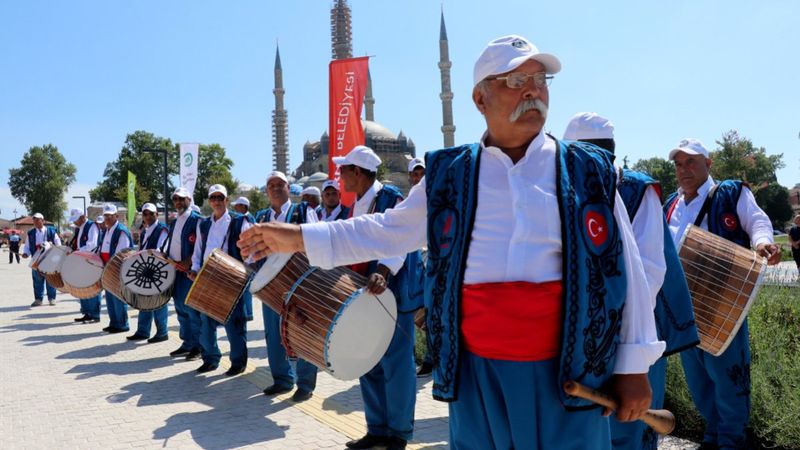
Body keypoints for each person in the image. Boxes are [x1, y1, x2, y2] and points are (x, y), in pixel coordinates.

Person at [238, 35, 664, 450]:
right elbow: (388, 231)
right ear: (480, 99)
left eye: (540, 80)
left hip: (570, 370)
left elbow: (625, 267)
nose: (533, 91)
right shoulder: (451, 173)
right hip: (476, 373)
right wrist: (297, 237)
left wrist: (633, 365)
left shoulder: (587, 169)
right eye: (516, 82)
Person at [565, 112, 698, 449]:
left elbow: (649, 272)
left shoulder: (636, 190)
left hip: (632, 335)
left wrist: (614, 334)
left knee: (629, 433)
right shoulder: (562, 188)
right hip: (582, 337)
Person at [665, 138, 779, 450]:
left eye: (691, 162)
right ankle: (713, 435)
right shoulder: (669, 206)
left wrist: (762, 242)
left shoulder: (730, 193)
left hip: (722, 305)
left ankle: (732, 440)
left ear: (708, 163)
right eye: (679, 163)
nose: (684, 169)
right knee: (698, 380)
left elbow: (756, 221)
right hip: (683, 308)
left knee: (729, 378)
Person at [325, 145, 423, 449]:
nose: (340, 177)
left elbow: (400, 238)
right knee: (368, 362)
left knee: (396, 364)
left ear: (358, 172)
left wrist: (383, 270)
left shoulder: (391, 199)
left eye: (344, 171)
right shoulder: (352, 205)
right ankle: (377, 428)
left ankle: (399, 433)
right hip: (364, 295)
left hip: (390, 292)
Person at [255, 171, 319, 402]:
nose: (275, 188)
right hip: (271, 283)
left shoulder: (303, 211)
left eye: (279, 184)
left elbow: (317, 240)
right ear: (266, 190)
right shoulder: (261, 217)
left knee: (301, 331)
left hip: (299, 282)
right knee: (274, 333)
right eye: (270, 184)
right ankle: (282, 380)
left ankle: (305, 383)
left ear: (287, 186)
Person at [188, 184, 250, 375]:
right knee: (205, 322)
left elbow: (249, 251)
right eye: (213, 198)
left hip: (231, 278)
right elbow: (198, 249)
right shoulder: (204, 224)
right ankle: (210, 358)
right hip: (207, 277)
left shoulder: (240, 222)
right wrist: (195, 269)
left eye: (219, 197)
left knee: (234, 323)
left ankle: (238, 363)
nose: (216, 201)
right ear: (209, 201)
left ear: (226, 200)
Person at [163, 187, 204, 360]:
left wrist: (188, 261)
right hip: (176, 271)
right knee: (180, 309)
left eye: (181, 199)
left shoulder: (197, 220)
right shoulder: (174, 221)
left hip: (189, 272)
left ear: (189, 199)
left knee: (192, 310)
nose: (178, 202)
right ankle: (187, 343)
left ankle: (199, 346)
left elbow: (200, 245)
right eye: (175, 199)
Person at [126, 203, 170, 343]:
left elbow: (160, 249)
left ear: (156, 214)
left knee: (158, 301)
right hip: (146, 269)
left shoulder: (162, 229)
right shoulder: (145, 230)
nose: (148, 216)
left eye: (151, 213)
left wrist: (143, 254)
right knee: (144, 301)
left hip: (158, 270)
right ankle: (143, 331)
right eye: (145, 214)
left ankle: (162, 332)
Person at [407, 157, 433, 378]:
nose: (418, 178)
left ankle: (432, 359)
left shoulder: (436, 196)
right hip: (416, 262)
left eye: (421, 174)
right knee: (420, 313)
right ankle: (426, 358)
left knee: (434, 312)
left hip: (434, 261)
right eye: (415, 174)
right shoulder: (406, 202)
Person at [96, 204, 134, 332]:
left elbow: (122, 253)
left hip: (116, 268)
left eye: (109, 216)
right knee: (110, 298)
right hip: (107, 268)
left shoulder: (121, 231)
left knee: (118, 298)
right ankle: (114, 322)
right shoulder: (106, 230)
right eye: (105, 216)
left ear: (116, 216)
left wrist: (112, 268)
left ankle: (122, 324)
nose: (107, 218)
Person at [67, 209, 102, 323]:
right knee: (82, 286)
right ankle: (87, 312)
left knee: (92, 287)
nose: (75, 222)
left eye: (76, 219)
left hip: (91, 260)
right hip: (81, 260)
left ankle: (95, 314)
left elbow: (92, 244)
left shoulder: (92, 226)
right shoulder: (79, 228)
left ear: (83, 217)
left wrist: (77, 252)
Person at [21, 213, 62, 306]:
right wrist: (26, 253)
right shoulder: (31, 233)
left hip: (49, 260)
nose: (35, 222)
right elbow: (27, 246)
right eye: (34, 220)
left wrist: (55, 251)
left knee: (51, 279)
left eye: (37, 220)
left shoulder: (51, 231)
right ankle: (38, 299)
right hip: (36, 260)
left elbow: (58, 244)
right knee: (37, 280)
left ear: (43, 221)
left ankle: (52, 298)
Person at [231, 196, 255, 321]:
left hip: (247, 260)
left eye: (238, 206)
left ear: (244, 207)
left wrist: (245, 260)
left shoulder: (246, 220)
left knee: (245, 288)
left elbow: (247, 242)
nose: (235, 208)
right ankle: (248, 312)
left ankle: (248, 313)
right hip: (248, 260)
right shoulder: (246, 219)